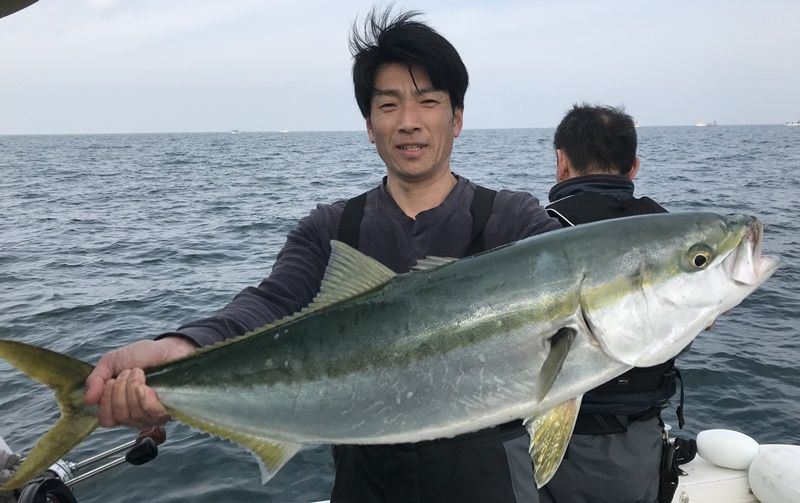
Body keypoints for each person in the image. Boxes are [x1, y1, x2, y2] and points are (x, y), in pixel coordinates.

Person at [83, 8, 561, 503]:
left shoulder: (513, 220)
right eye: (389, 104)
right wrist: (183, 347)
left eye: (428, 101)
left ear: (457, 118)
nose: (409, 122)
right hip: (365, 481)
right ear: (369, 125)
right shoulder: (332, 229)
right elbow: (271, 304)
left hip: (491, 482)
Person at [540, 104, 684, 503]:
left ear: (561, 162)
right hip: (637, 444)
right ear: (634, 167)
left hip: (549, 437)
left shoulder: (539, 231)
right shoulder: (672, 237)